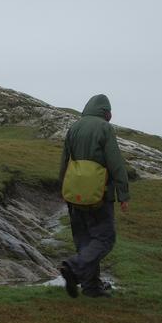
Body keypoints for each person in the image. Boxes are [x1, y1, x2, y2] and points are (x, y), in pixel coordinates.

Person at [58, 94, 130, 298]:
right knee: (105, 238)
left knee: (84, 240)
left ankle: (91, 287)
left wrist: (62, 188)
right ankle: (73, 268)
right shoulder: (104, 128)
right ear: (105, 112)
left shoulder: (75, 127)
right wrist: (123, 194)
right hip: (99, 195)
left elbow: (65, 160)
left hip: (74, 193)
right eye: (109, 112)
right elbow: (115, 163)